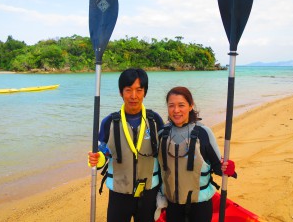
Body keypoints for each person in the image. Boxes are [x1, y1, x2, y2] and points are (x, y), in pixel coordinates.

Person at [88, 68, 164, 222]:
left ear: (145, 92)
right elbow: (103, 153)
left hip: (148, 190)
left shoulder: (155, 120)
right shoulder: (109, 122)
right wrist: (97, 159)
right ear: (121, 92)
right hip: (119, 192)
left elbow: (166, 153)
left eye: (139, 90)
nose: (133, 96)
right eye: (128, 90)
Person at [157, 86, 236, 222]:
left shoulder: (204, 133)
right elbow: (156, 168)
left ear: (190, 105)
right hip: (173, 204)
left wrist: (227, 167)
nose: (176, 110)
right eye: (171, 106)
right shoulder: (162, 134)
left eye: (181, 105)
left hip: (200, 204)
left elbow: (218, 167)